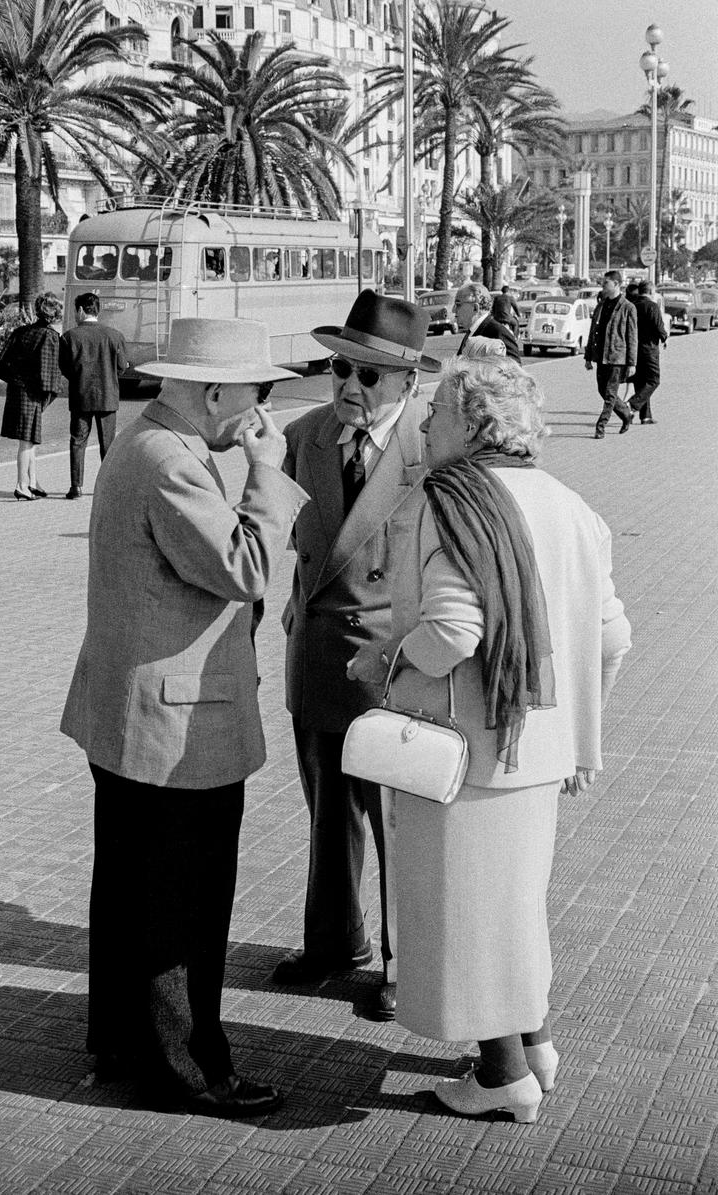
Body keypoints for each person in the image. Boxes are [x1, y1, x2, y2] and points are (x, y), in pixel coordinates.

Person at [348, 357, 631, 1123]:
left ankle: (503, 1075)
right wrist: (579, 733)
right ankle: (534, 1045)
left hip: (465, 751)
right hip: (538, 748)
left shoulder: (446, 504)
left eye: (436, 413)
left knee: (469, 916)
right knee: (514, 906)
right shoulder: (571, 505)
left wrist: (386, 658)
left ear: (470, 426)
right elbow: (614, 636)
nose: (426, 427)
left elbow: (452, 630)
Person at [60, 317, 309, 1117]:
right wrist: (267, 475)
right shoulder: (173, 462)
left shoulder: (150, 442)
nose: (264, 405)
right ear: (211, 394)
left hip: (131, 713)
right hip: (174, 725)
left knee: (131, 890)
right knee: (184, 904)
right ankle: (193, 1070)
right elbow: (245, 565)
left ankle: (123, 1041)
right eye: (256, 391)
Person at [271, 289, 441, 1023]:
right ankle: (335, 940)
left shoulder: (432, 451)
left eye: (370, 375)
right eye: (341, 367)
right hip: (317, 657)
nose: (350, 386)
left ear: (408, 382)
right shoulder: (303, 435)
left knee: (395, 822)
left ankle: (407, 963)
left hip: (391, 668)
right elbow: (278, 540)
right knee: (327, 813)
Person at [59, 292, 130, 498]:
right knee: (107, 443)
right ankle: (108, 487)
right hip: (108, 396)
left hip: (81, 397)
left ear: (81, 310)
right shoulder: (114, 336)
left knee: (78, 441)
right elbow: (122, 367)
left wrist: (79, 377)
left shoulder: (70, 337)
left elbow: (65, 368)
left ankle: (76, 487)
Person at [0, 292, 63, 500]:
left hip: (16, 389)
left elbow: (3, 363)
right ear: (54, 316)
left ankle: (33, 481)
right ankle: (22, 485)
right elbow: (49, 372)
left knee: (29, 439)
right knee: (27, 441)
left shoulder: (21, 331)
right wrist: (48, 395)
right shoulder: (49, 336)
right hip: (32, 392)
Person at [585, 270, 637, 439]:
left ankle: (601, 425)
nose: (603, 287)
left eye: (606, 283)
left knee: (610, 393)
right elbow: (593, 331)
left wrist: (631, 363)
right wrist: (588, 356)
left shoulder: (628, 307)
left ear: (616, 284)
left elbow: (632, 337)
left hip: (617, 357)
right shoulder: (602, 305)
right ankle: (626, 414)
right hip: (601, 355)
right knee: (603, 390)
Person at [628, 280, 667, 425]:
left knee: (640, 381)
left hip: (634, 349)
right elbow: (658, 326)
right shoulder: (652, 306)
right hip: (649, 349)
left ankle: (645, 416)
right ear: (651, 291)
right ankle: (631, 405)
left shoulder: (632, 306)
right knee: (653, 380)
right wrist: (664, 337)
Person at [454, 282, 521, 363]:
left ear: (475, 308)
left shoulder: (498, 333)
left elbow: (515, 370)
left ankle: (517, 335)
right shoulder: (472, 331)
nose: (453, 310)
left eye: (458, 305)